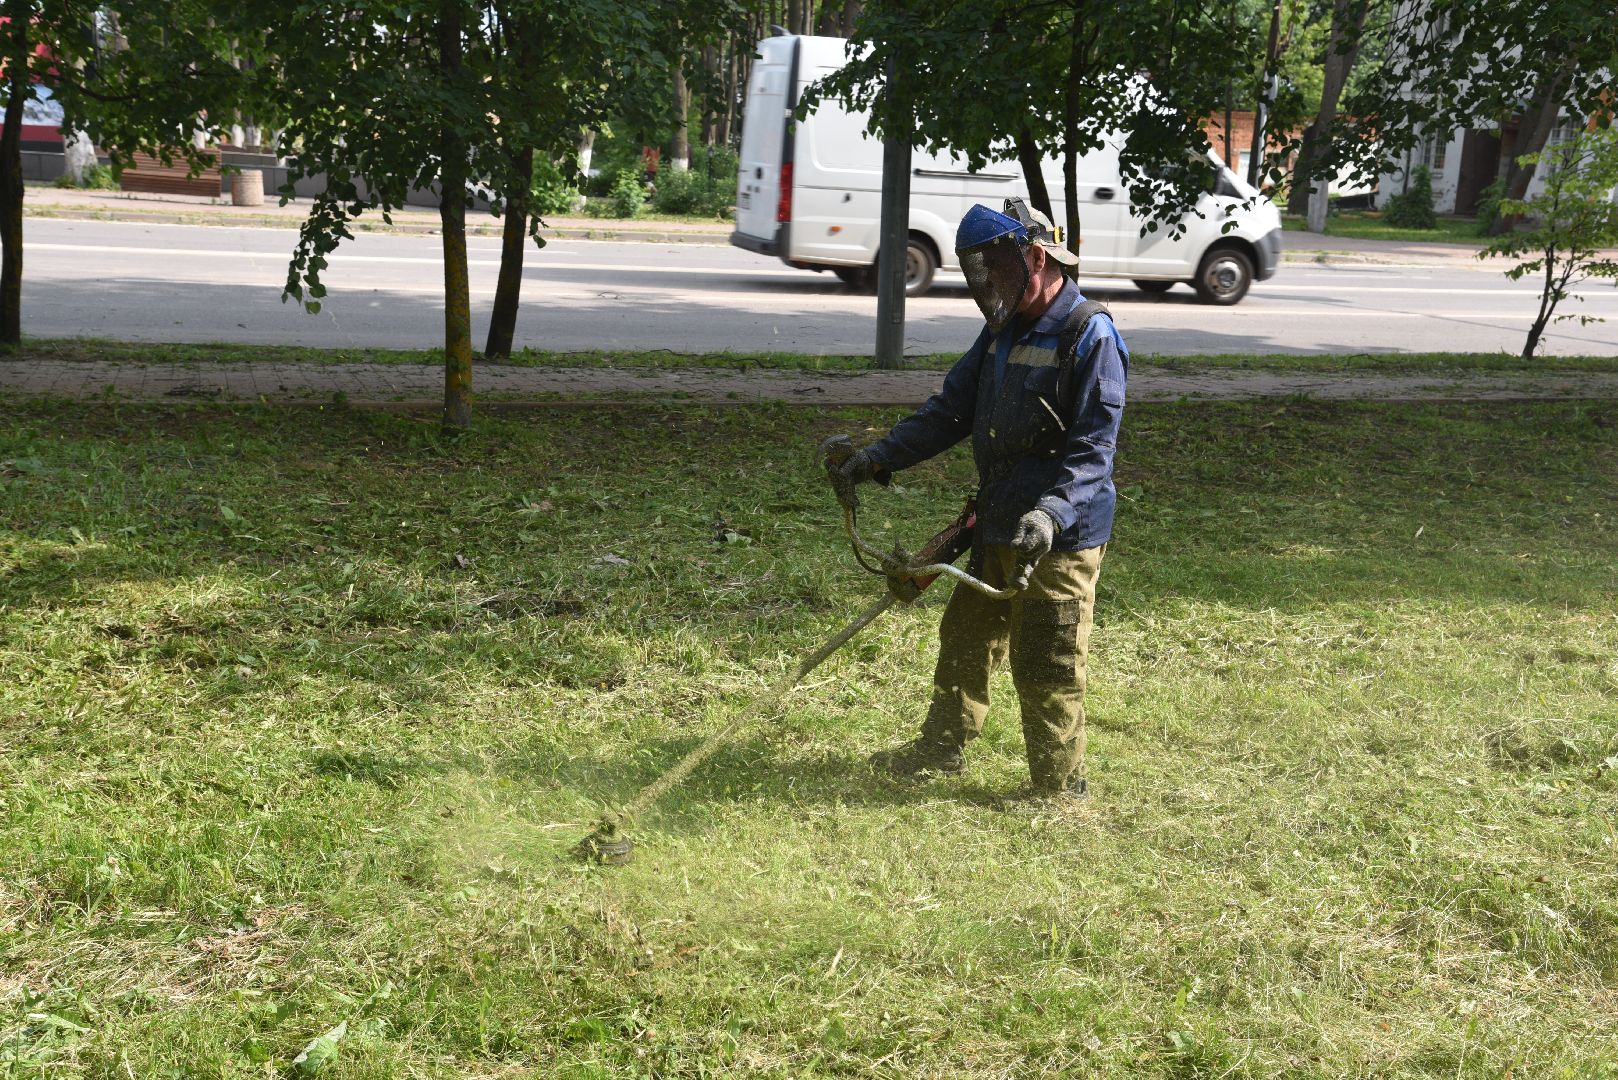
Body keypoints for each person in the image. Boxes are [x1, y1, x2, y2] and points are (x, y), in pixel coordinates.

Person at [827, 198, 1128, 802]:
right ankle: (942, 750)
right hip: (994, 520)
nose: (984, 283)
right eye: (977, 269)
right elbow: (950, 412)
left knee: (1048, 661)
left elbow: (1094, 451)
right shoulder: (999, 333)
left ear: (1035, 258)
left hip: (1058, 540)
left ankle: (1060, 789)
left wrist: (1051, 513)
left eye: (995, 266)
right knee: (964, 638)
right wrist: (879, 457)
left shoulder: (1088, 334)